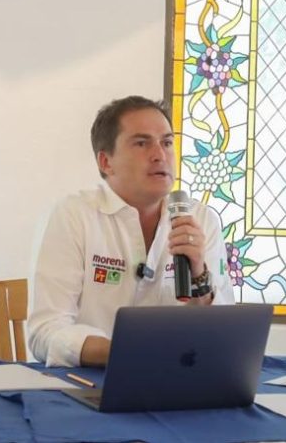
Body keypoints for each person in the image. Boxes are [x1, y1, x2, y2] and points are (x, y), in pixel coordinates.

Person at [27, 95, 234, 367]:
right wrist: (125, 354)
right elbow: (46, 332)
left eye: (167, 143)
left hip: (180, 378)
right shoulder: (74, 215)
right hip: (94, 378)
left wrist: (199, 276)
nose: (160, 155)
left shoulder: (201, 219)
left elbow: (225, 336)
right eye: (141, 143)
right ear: (106, 162)